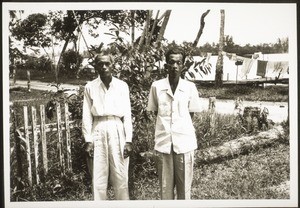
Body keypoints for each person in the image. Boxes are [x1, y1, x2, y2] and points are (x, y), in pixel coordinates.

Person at [147, 47, 202, 200]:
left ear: (183, 65)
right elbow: (154, 112)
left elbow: (191, 114)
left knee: (184, 190)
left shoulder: (190, 87)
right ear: (166, 65)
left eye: (178, 62)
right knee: (165, 190)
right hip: (164, 143)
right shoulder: (156, 86)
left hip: (184, 144)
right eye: (171, 62)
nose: (175, 66)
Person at [82, 52, 133, 200]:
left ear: (113, 65)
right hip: (98, 127)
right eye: (100, 64)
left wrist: (128, 140)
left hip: (117, 128)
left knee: (120, 174)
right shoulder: (90, 87)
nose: (104, 67)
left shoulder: (122, 86)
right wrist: (88, 140)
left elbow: (128, 115)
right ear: (95, 66)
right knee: (98, 176)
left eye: (107, 63)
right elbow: (86, 115)